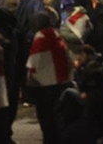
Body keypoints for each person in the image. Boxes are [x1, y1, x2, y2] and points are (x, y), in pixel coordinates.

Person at [25, 12, 73, 144]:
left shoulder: (40, 37)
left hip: (44, 83)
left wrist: (29, 80)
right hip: (60, 80)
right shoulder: (56, 34)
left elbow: (35, 61)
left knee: (46, 116)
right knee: (56, 115)